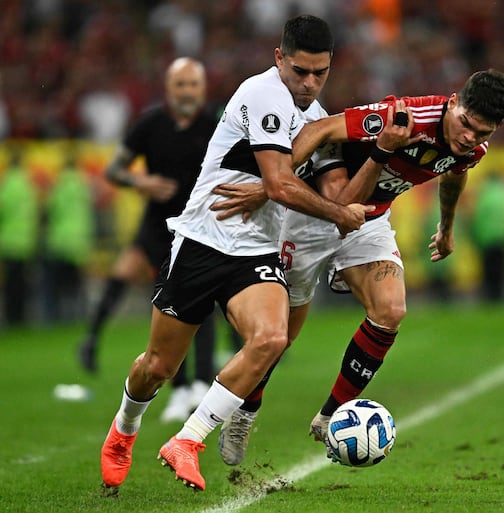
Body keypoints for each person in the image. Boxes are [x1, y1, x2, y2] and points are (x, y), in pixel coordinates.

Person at [99, 14, 374, 494]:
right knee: (157, 368)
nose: (309, 83)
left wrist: (381, 156)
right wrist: (337, 214)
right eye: (300, 71)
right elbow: (280, 181)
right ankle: (124, 429)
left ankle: (188, 440)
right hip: (204, 239)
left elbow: (331, 182)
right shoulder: (262, 93)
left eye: (320, 73)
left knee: (271, 340)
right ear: (278, 59)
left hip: (255, 249)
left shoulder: (316, 116)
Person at [211, 69, 504, 466]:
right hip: (314, 214)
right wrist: (272, 184)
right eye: (467, 125)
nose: (470, 138)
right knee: (279, 337)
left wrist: (447, 225)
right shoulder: (402, 117)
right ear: (454, 102)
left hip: (368, 221)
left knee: (391, 311)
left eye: (482, 134)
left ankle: (329, 415)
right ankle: (244, 415)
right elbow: (319, 130)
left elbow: (455, 174)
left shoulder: (471, 150)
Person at [76, 57, 220, 423]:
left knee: (200, 300)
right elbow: (115, 169)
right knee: (161, 299)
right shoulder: (150, 124)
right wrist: (142, 182)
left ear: (202, 90)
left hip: (198, 226)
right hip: (156, 227)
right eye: (180, 85)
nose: (187, 92)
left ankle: (199, 384)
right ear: (168, 88)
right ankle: (177, 385)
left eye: (193, 85)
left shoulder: (216, 125)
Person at [41, 149, 95, 323]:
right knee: (76, 283)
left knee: (55, 282)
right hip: (79, 239)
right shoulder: (83, 183)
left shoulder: (61, 184)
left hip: (61, 239)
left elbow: (52, 209)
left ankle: (56, 317)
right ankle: (78, 315)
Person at [0, 148, 39, 327]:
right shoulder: (27, 184)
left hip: (9, 242)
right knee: (23, 285)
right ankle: (22, 318)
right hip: (26, 242)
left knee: (10, 287)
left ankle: (12, 319)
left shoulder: (7, 184)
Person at [469, 171, 504, 302]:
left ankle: (489, 299)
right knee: (501, 272)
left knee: (488, 273)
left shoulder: (484, 194)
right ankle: (500, 298)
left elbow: (478, 218)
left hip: (486, 239)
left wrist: (476, 237)